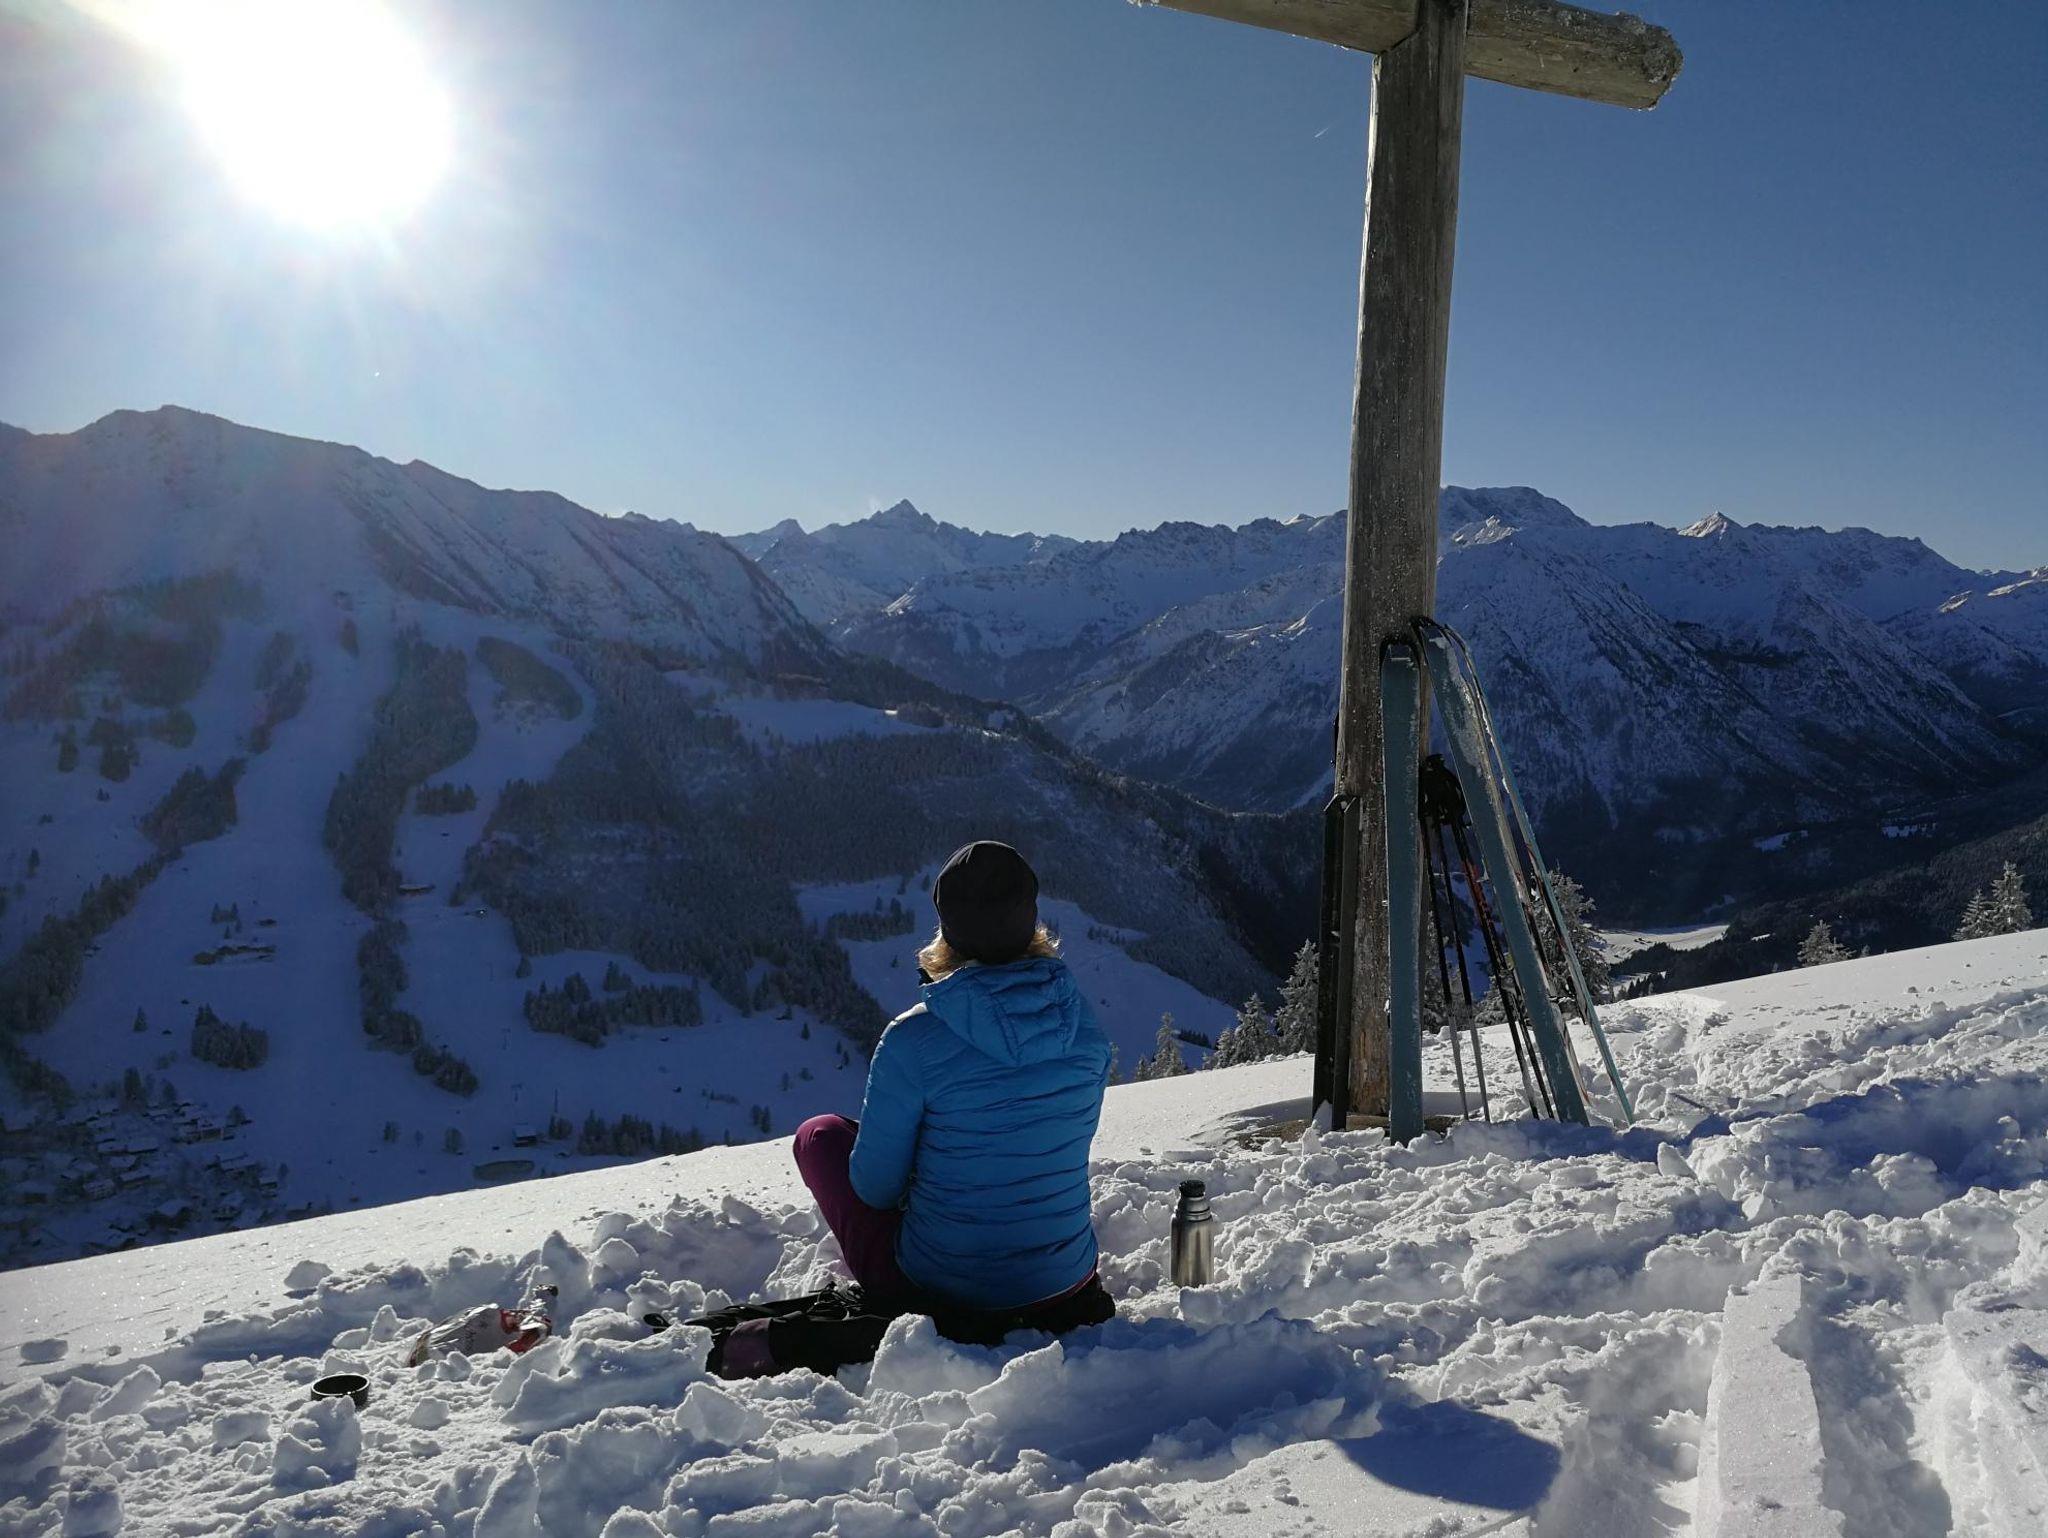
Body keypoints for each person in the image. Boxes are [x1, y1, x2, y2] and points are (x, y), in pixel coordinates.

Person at [714, 841, 1116, 1376]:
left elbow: (874, 1190)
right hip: (1065, 1281)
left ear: (947, 928)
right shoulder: (1082, 1026)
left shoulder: (914, 1038)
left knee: (820, 1135)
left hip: (946, 1288)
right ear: (1032, 919)